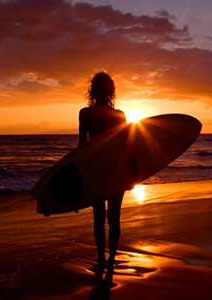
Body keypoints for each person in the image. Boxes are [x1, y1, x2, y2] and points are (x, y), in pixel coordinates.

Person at [78, 72, 127, 280]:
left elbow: (82, 146)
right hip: (116, 171)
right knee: (114, 217)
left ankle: (101, 260)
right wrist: (131, 175)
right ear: (111, 91)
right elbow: (126, 148)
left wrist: (79, 179)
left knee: (99, 218)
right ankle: (111, 260)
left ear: (93, 90)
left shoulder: (85, 113)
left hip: (96, 171)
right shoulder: (120, 115)